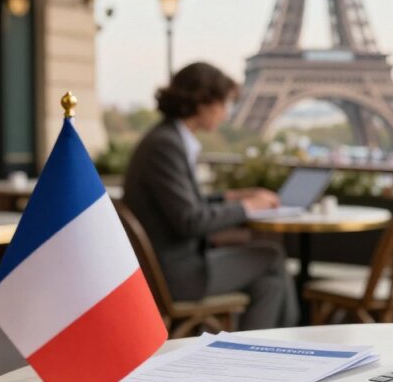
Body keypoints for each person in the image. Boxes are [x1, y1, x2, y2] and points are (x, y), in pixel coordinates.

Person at [123, 62, 299, 329]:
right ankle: (271, 347)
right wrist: (249, 206)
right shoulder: (166, 146)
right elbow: (191, 221)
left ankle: (263, 351)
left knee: (269, 277)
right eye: (224, 104)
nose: (226, 114)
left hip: (167, 266)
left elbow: (185, 206)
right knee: (272, 257)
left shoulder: (166, 139)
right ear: (203, 102)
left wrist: (233, 196)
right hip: (177, 275)